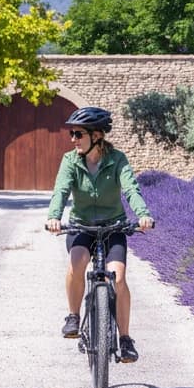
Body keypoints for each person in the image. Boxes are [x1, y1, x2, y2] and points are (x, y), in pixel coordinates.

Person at [45, 107, 154, 363]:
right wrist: (54, 216)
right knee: (77, 263)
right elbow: (60, 190)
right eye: (72, 133)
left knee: (118, 278)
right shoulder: (70, 160)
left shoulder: (117, 159)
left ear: (96, 136)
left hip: (113, 227)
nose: (73, 139)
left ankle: (125, 339)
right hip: (82, 226)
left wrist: (143, 214)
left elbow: (131, 189)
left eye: (78, 134)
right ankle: (73, 315)